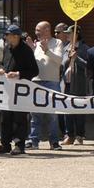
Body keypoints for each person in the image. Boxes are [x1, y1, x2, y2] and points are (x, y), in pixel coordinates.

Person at [0, 24, 38, 156]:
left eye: (8, 35)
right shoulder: (8, 48)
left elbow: (34, 70)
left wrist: (19, 74)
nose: (6, 37)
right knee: (5, 117)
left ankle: (19, 145)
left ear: (16, 36)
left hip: (20, 90)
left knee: (19, 117)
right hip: (7, 89)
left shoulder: (26, 50)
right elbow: (5, 64)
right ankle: (5, 143)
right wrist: (1, 69)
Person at [28, 21, 63, 150]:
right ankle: (33, 140)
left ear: (47, 30)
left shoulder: (57, 43)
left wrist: (47, 50)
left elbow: (59, 60)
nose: (36, 33)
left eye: (39, 30)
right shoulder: (36, 44)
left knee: (52, 114)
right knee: (35, 113)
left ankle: (54, 142)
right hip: (36, 81)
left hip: (51, 82)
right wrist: (32, 49)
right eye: (36, 30)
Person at [55, 23, 88, 145]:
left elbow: (88, 66)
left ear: (76, 34)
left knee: (79, 110)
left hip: (79, 83)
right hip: (66, 83)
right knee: (67, 110)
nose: (67, 35)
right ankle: (69, 135)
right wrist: (67, 59)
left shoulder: (84, 48)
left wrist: (77, 58)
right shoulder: (65, 47)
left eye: (70, 33)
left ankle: (79, 135)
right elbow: (62, 64)